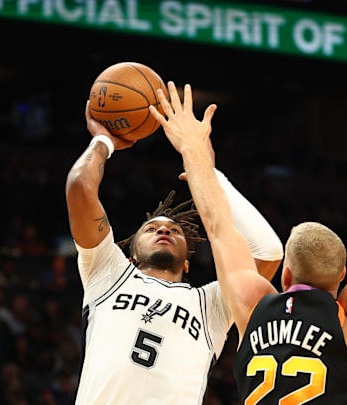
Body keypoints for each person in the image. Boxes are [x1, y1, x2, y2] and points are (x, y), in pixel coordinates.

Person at [152, 41, 347, 404]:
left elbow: (218, 227)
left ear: (285, 276)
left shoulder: (254, 304)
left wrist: (194, 151)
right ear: (343, 276)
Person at [65, 100, 284, 403]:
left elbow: (268, 251)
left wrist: (208, 173)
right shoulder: (108, 272)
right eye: (152, 229)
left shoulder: (211, 305)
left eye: (174, 230)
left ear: (188, 263)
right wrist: (104, 141)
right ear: (130, 255)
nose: (164, 230)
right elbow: (79, 186)